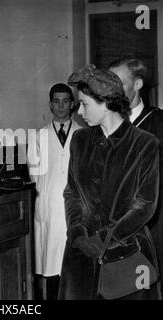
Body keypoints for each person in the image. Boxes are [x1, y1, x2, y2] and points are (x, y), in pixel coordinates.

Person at [58, 64, 160, 300]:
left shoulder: (144, 143)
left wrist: (105, 239)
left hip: (126, 251)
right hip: (81, 253)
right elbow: (71, 193)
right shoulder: (80, 139)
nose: (78, 111)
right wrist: (77, 233)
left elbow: (145, 205)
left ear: (106, 103)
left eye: (84, 104)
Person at [109, 59, 163, 292]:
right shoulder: (101, 125)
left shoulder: (159, 122)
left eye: (119, 83)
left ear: (138, 83)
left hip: (155, 226)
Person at [28, 83, 81, 300]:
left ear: (72, 105)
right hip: (48, 206)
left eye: (65, 101)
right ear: (50, 104)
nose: (61, 106)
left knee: (73, 265)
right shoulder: (37, 136)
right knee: (50, 267)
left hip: (74, 206)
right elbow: (33, 174)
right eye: (56, 101)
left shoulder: (83, 134)